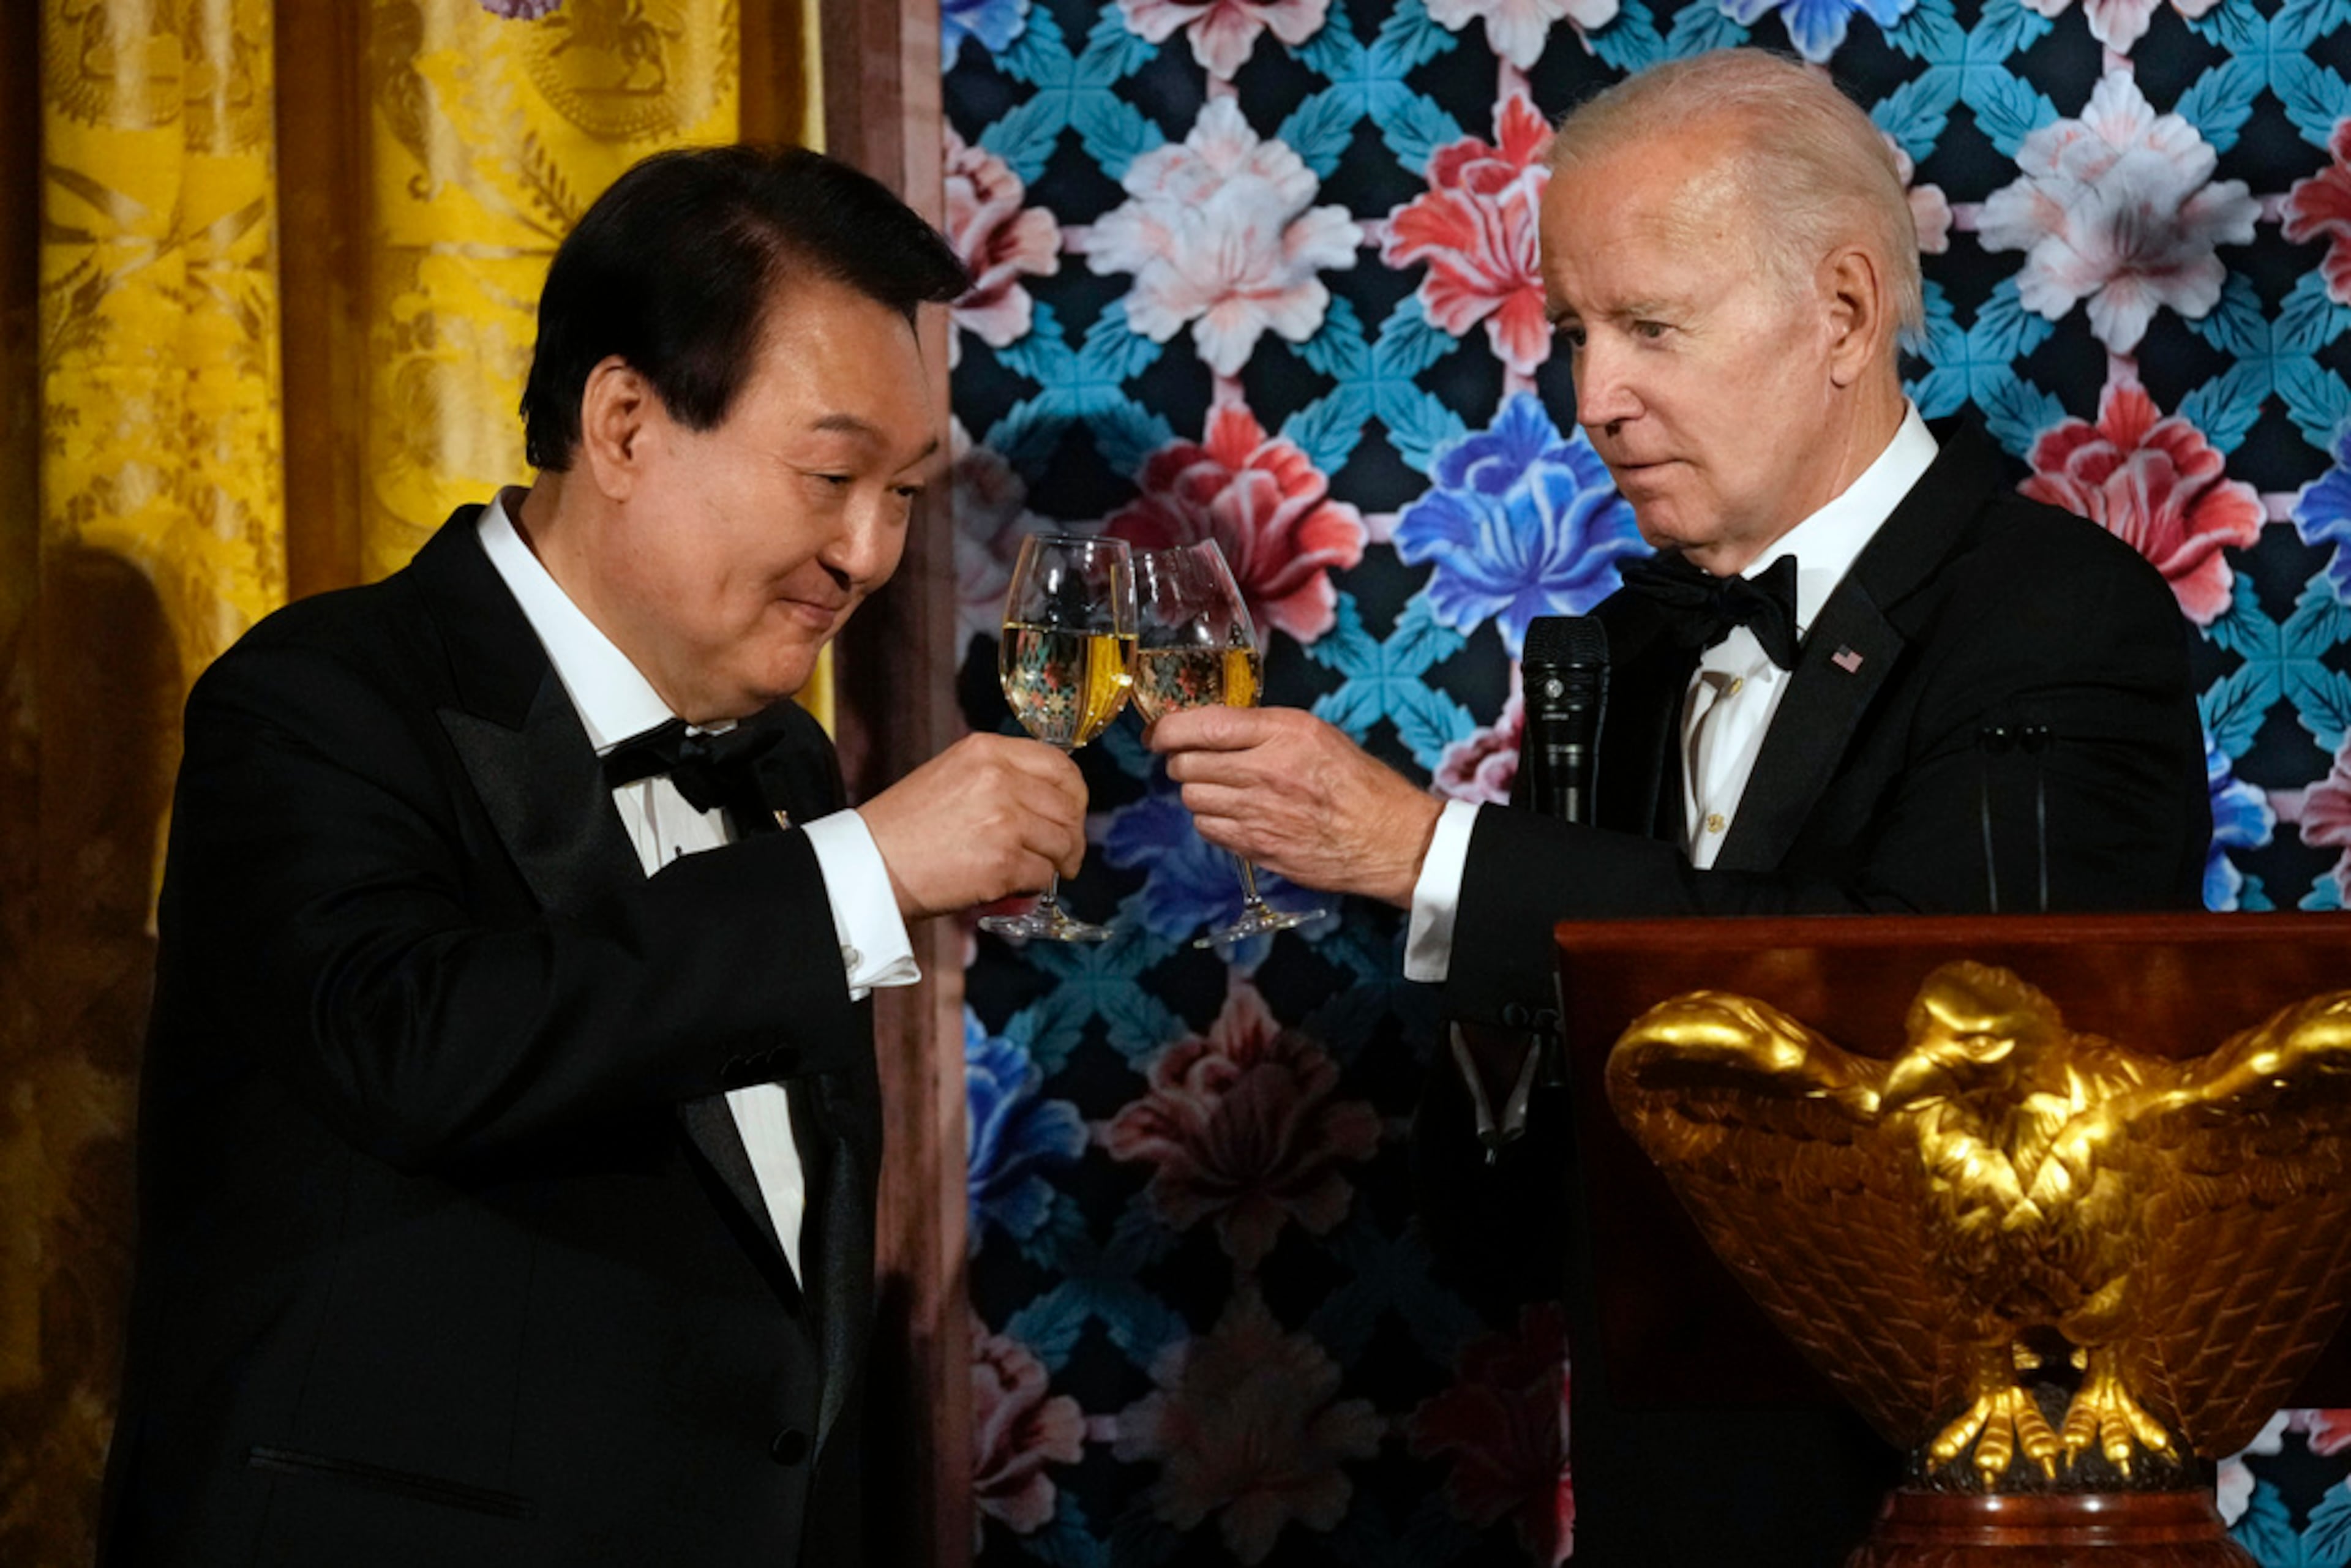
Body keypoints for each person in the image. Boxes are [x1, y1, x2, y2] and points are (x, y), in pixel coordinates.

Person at [1149, 50, 2210, 1565]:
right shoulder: (1627, 650)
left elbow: (1949, 1026)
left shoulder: (2055, 614)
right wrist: (1485, 980)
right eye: (1575, 333)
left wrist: (1430, 854)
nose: (1592, 399)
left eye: (1650, 327)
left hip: (1967, 1523)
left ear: (1842, 314)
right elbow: (1518, 1231)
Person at [98, 146, 1086, 1566]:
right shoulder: (317, 698)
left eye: (908, 494)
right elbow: (419, 1044)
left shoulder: (790, 767)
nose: (869, 551)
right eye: (831, 475)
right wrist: (855, 875)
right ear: (622, 423)